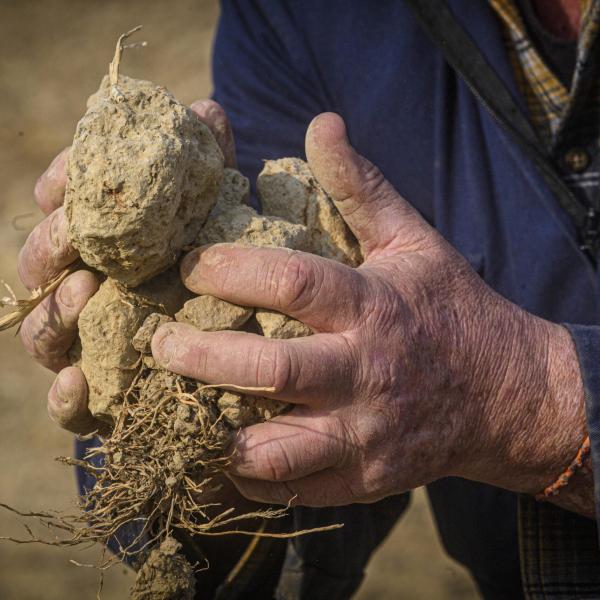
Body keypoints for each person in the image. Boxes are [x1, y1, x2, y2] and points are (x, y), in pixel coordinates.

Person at [18, 0, 600, 597]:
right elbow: (284, 345)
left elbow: (480, 391)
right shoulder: (302, 14)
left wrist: (535, 401)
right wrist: (214, 457)